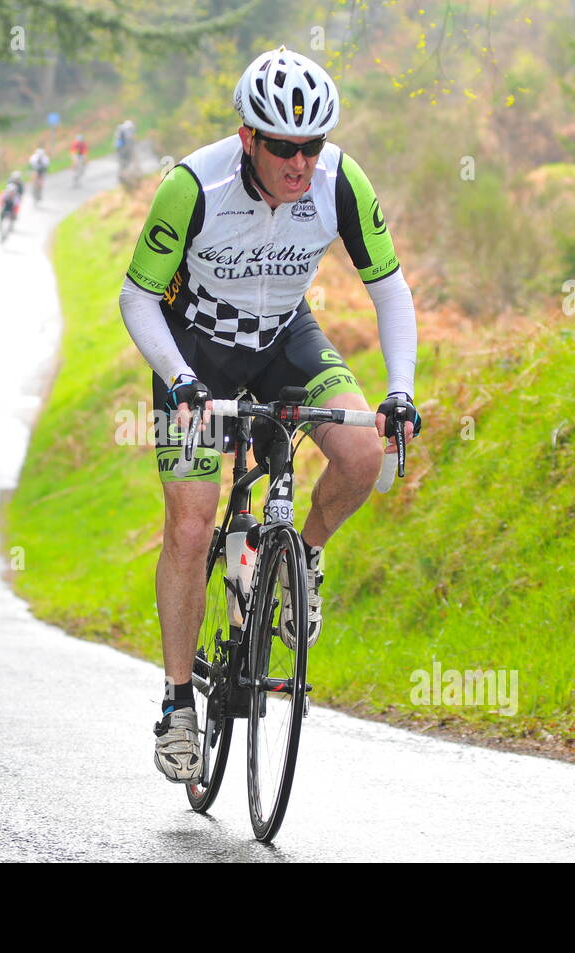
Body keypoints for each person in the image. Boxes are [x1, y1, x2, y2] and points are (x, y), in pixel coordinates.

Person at [118, 47, 421, 782]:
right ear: (249, 138)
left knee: (362, 455)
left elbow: (389, 288)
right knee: (191, 526)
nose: (300, 162)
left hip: (286, 336)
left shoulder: (340, 181)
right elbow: (136, 298)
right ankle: (177, 703)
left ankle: (301, 557)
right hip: (193, 355)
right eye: (284, 146)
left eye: (312, 145)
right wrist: (181, 379)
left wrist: (400, 390)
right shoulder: (192, 185)